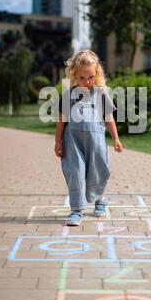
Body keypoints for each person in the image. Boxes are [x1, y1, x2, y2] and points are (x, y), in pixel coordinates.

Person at [55, 50, 123, 226]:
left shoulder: (101, 94)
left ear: (97, 74)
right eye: (81, 78)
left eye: (91, 77)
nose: (86, 81)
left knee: (99, 169)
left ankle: (100, 199)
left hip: (96, 141)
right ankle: (76, 210)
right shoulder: (68, 95)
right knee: (75, 173)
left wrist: (116, 138)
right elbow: (61, 120)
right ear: (74, 75)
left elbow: (109, 117)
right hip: (73, 142)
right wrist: (57, 142)